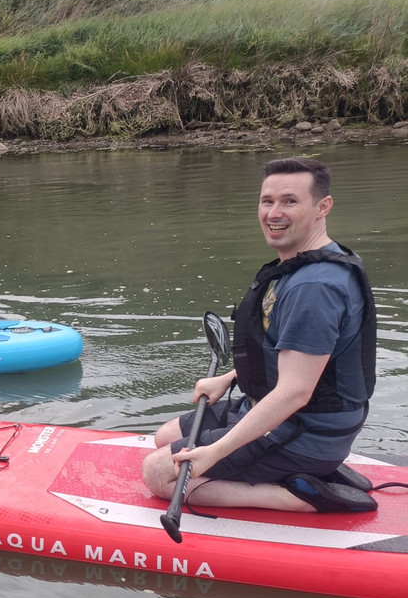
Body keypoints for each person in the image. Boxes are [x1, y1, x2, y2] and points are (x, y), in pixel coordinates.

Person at [142, 157, 377, 513]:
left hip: (303, 429)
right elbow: (299, 356)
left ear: (322, 207)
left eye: (290, 201)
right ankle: (296, 470)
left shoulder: (314, 286)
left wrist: (215, 453)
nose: (273, 213)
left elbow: (295, 391)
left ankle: (302, 495)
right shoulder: (304, 263)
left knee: (159, 474)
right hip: (292, 414)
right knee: (165, 437)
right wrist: (232, 376)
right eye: (267, 201)